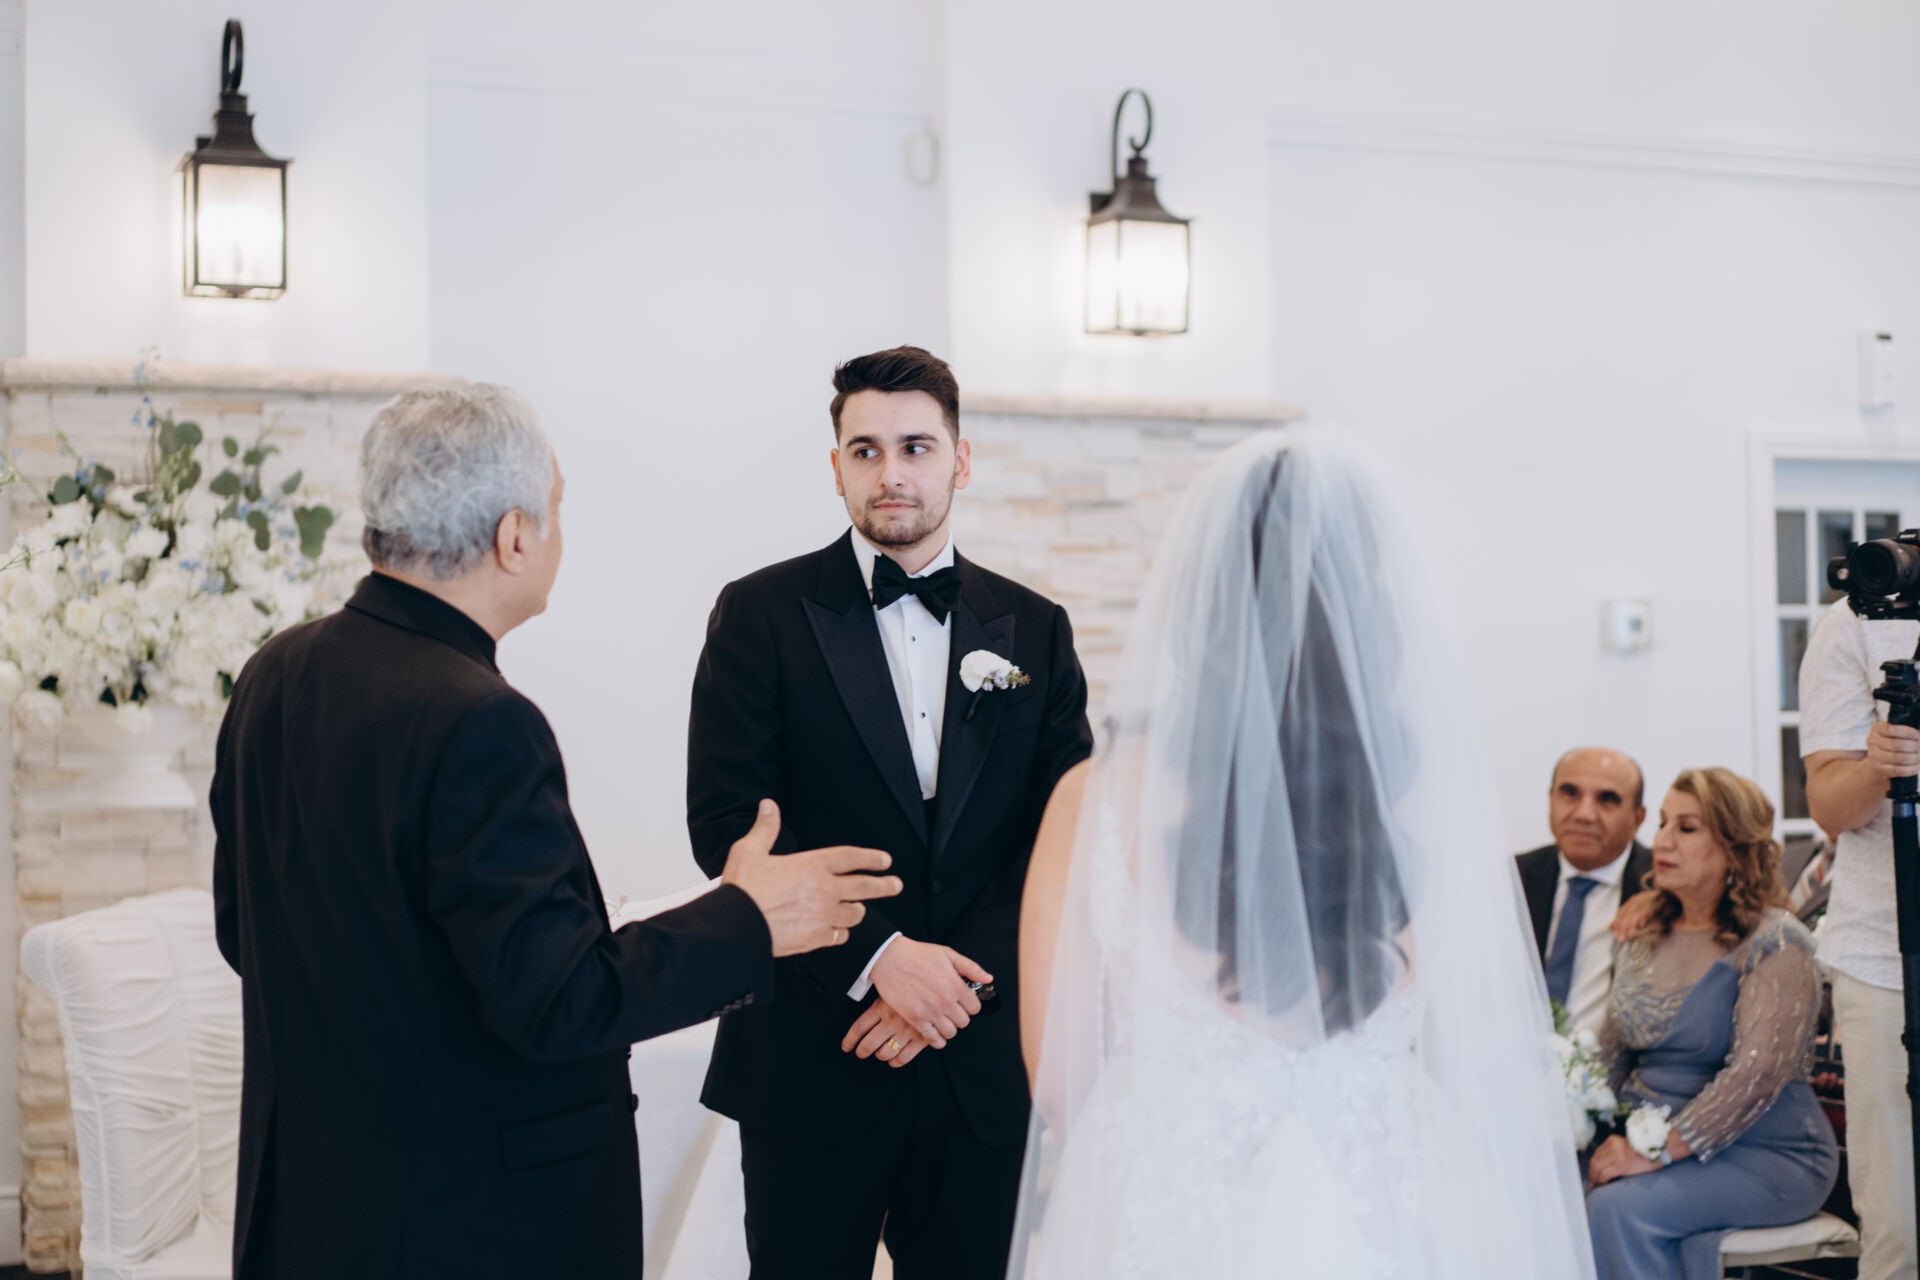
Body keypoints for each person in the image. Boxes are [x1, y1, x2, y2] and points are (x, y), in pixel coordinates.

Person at [211, 386, 901, 1280]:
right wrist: (748, 917)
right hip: (458, 1223)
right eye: (558, 506)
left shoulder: (273, 672)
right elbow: (562, 1002)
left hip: (309, 1204)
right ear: (515, 537)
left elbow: (244, 933)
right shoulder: (479, 721)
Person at [1011, 427, 1594, 1278]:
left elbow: (1060, 1079)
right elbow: (1464, 1053)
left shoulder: (1095, 799)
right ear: (1376, 604)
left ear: (1201, 602)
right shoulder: (1432, 806)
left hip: (1165, 1204)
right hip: (1391, 1199)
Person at [685, 346, 1093, 1280]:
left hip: (978, 1062)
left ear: (960, 460)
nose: (891, 473)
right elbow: (728, 826)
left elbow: (1062, 838)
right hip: (813, 1054)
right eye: (865, 450)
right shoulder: (758, 613)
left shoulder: (1036, 629)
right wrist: (880, 961)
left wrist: (952, 989)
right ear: (836, 468)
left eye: (916, 447)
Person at [1586, 768, 1838, 1279]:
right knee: (1552, 1188)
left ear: (1733, 848)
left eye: (1687, 827)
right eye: (1662, 823)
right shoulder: (1644, 932)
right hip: (1652, 1142)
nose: (1662, 840)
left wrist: (1654, 1152)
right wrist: (1578, 1129)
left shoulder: (1776, 941)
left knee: (1615, 1207)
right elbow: (1613, 1056)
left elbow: (1756, 1075)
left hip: (1768, 1154)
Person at [1802, 594, 1920, 1280]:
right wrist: (1880, 764)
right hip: (1888, 962)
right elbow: (1828, 804)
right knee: (1901, 1232)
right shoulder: (1859, 619)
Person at [1516, 748, 1652, 1037]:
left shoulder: (1663, 888)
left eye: (1607, 799)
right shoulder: (1512, 878)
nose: (1584, 814)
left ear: (1637, 819)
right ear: (1551, 800)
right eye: (1570, 793)